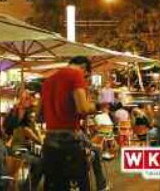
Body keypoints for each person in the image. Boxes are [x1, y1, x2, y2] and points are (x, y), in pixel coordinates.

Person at [41, 56, 107, 191]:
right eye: (86, 76)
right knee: (80, 183)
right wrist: (98, 106)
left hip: (49, 140)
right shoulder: (76, 75)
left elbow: (39, 115)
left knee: (55, 185)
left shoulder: (48, 80)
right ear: (83, 68)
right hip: (69, 140)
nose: (85, 80)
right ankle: (102, 186)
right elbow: (83, 108)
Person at [12, 109, 44, 189]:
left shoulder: (21, 127)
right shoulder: (26, 129)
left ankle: (28, 185)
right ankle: (29, 187)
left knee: (38, 160)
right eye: (32, 117)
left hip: (18, 151)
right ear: (27, 118)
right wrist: (37, 129)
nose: (34, 119)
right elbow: (39, 141)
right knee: (39, 163)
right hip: (20, 152)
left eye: (34, 117)